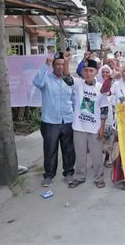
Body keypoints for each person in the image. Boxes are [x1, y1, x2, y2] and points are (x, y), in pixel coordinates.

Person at [62, 59, 109, 188]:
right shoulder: (78, 84)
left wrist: (102, 127)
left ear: (96, 72)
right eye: (86, 70)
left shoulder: (101, 88)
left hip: (95, 128)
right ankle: (79, 177)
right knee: (80, 155)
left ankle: (99, 178)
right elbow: (66, 77)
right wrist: (66, 61)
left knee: (97, 156)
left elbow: (104, 109)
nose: (88, 73)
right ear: (82, 72)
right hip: (79, 127)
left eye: (91, 71)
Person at [33, 52, 75, 187]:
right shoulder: (46, 80)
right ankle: (49, 175)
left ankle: (68, 173)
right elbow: (37, 82)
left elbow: (74, 99)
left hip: (67, 120)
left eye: (63, 64)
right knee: (50, 149)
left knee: (68, 149)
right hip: (50, 122)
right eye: (58, 64)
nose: (60, 67)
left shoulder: (68, 81)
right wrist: (45, 65)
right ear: (53, 65)